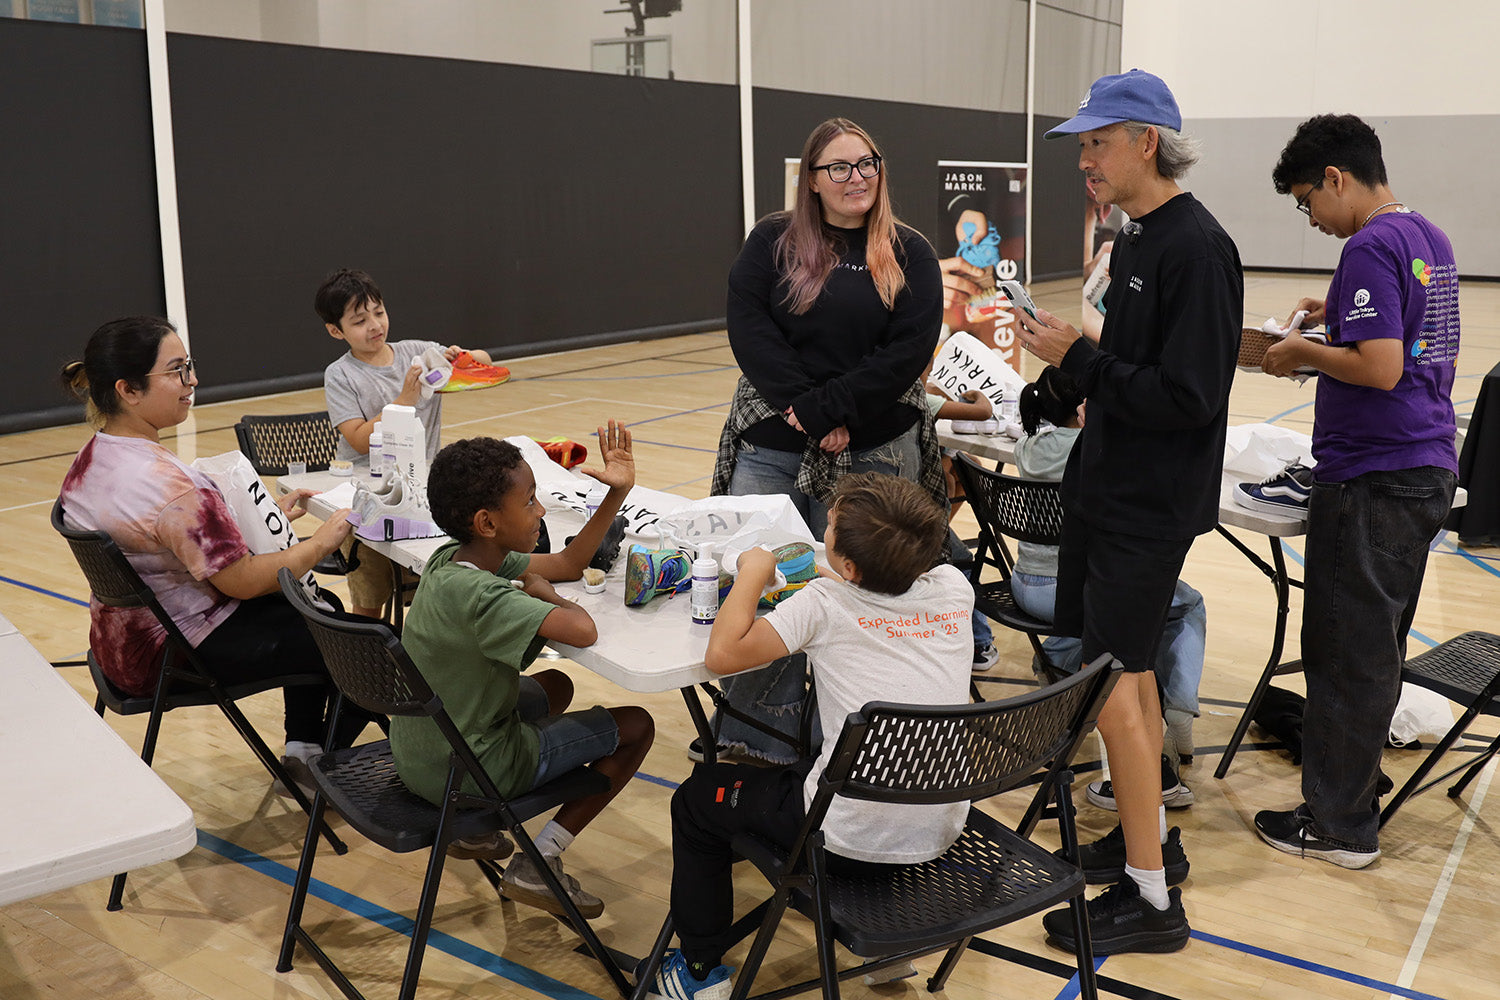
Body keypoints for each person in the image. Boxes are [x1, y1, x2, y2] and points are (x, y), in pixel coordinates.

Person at [1014, 69, 1241, 954]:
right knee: (1123, 681)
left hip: (1146, 506)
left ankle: (1150, 901)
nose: (1086, 162)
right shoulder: (1136, 237)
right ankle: (1148, 841)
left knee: (1114, 690)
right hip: (1108, 490)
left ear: (1147, 141)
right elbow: (1126, 367)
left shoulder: (1197, 249)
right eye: (1082, 147)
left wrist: (1080, 359)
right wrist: (1062, 371)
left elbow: (1189, 396)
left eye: (1098, 144)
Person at [641, 473, 973, 1000]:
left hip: (847, 838)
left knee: (699, 799)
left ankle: (698, 971)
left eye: (830, 529)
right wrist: (833, 571)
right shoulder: (955, 588)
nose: (825, 533)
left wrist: (752, 573)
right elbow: (876, 600)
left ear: (849, 568)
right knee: (820, 757)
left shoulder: (824, 603)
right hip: (937, 822)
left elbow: (722, 656)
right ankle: (888, 950)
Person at [1253, 114, 1458, 869]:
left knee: (1344, 651)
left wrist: (1302, 353)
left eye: (1308, 201)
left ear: (1336, 178)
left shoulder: (1368, 245)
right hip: (1422, 464)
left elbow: (1379, 366)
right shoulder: (1427, 235)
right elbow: (1398, 339)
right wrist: (1333, 315)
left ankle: (1338, 826)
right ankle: (1353, 786)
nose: (1311, 218)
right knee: (1375, 646)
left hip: (1375, 473)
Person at [708, 117, 946, 763]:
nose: (856, 177)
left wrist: (829, 408)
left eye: (867, 163)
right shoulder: (771, 241)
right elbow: (751, 330)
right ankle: (758, 743)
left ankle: (853, 746)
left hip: (877, 449)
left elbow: (908, 351)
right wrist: (809, 411)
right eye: (839, 167)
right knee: (763, 587)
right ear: (811, 179)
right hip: (774, 444)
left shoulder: (910, 250)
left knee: (866, 596)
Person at [58, 316, 375, 785]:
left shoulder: (92, 458)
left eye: (188, 366)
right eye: (177, 371)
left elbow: (168, 543)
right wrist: (321, 542)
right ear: (128, 390)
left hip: (121, 644)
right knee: (363, 643)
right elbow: (241, 581)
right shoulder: (171, 488)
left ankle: (305, 748)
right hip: (174, 655)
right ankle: (324, 766)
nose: (192, 380)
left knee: (318, 606)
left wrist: (264, 521)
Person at [392, 426, 655, 917]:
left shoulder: (453, 559)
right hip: (471, 770)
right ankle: (540, 859)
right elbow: (583, 630)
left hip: (420, 755)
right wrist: (548, 597)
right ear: (488, 522)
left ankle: (475, 833)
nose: (541, 511)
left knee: (556, 684)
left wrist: (617, 493)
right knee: (637, 724)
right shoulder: (485, 596)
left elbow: (570, 562)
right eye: (530, 501)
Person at [1007, 366, 1205, 802]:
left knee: (1098, 625)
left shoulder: (1026, 449)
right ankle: (1177, 706)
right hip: (1070, 587)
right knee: (1181, 606)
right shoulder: (1095, 451)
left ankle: (1056, 668)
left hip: (1023, 586)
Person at [317, 267, 495, 619]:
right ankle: (366, 648)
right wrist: (404, 401)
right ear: (336, 330)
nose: (374, 325)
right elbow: (358, 439)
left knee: (440, 576)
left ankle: (423, 638)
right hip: (370, 495)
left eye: (379, 312)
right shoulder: (340, 374)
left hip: (423, 488)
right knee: (370, 593)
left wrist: (462, 357)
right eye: (360, 321)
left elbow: (483, 363)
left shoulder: (417, 352)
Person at [926, 387, 1000, 670]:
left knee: (963, 469)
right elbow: (983, 411)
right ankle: (979, 642)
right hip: (914, 515)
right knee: (961, 560)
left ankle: (942, 531)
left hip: (899, 499)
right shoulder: (921, 395)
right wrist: (977, 394)